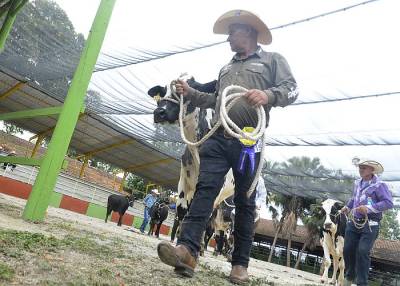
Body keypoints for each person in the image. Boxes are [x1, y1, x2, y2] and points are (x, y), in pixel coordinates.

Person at [157, 9, 297, 284]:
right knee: (204, 192)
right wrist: (190, 93)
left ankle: (240, 265)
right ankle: (187, 251)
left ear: (249, 32)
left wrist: (267, 94)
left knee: (245, 202)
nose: (229, 38)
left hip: (249, 143)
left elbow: (292, 89)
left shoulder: (272, 60)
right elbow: (215, 101)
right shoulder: (226, 68)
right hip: (218, 138)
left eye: (233, 32)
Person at [341, 158, 393, 286]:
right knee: (347, 249)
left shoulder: (380, 185)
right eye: (360, 167)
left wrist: (369, 208)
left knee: (363, 251)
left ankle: (361, 283)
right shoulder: (357, 183)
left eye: (364, 167)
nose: (361, 169)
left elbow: (388, 203)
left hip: (370, 224)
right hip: (354, 222)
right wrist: (347, 207)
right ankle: (349, 276)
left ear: (372, 170)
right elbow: (354, 198)